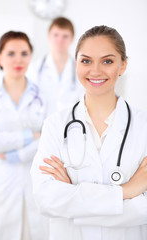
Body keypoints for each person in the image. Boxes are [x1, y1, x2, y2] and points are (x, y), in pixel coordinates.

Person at [30, 25, 147, 240]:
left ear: (123, 66)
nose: (95, 71)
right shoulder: (55, 125)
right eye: (86, 61)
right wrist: (127, 192)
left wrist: (74, 201)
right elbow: (45, 198)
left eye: (107, 61)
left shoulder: (144, 126)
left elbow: (144, 210)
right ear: (76, 64)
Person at [0, 31, 49, 240]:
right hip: (0, 177)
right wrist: (30, 136)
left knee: (36, 230)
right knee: (1, 229)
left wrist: (13, 154)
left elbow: (49, 138)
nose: (18, 60)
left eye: (24, 53)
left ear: (30, 57)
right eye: (11, 53)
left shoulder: (43, 95)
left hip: (36, 173)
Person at [27, 16, 84, 117]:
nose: (60, 40)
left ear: (72, 39)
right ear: (49, 36)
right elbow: (29, 102)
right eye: (56, 35)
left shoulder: (80, 69)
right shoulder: (35, 68)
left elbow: (84, 102)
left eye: (65, 36)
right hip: (42, 128)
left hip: (71, 126)